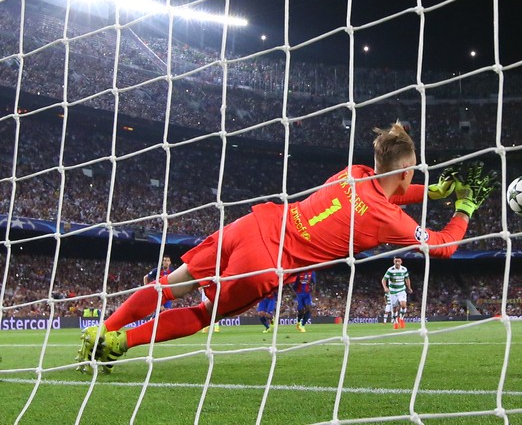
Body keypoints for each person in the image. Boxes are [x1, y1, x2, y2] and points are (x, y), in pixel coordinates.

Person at [74, 122, 497, 374]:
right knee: (203, 313)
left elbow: (390, 194)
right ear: (406, 168)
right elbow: (441, 247)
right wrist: (463, 207)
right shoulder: (387, 217)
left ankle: (104, 328)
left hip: (256, 223)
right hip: (266, 262)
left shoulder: (353, 172)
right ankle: (122, 344)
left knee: (171, 284)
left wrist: (437, 191)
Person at [382, 256, 413, 329]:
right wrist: (385, 287)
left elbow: (407, 278)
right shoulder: (390, 270)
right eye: (396, 261)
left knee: (403, 305)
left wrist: (409, 287)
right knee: (395, 308)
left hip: (401, 290)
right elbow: (384, 279)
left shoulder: (404, 269)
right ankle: (395, 322)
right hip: (392, 291)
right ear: (394, 261)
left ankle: (401, 318)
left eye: (398, 261)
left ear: (401, 262)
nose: (397, 263)